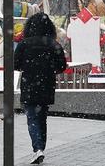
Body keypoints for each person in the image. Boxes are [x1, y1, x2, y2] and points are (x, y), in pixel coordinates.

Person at [14, 13, 67, 164]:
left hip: (29, 84)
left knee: (31, 118)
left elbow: (15, 64)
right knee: (42, 117)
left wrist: (28, 66)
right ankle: (40, 148)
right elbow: (62, 65)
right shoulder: (53, 44)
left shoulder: (24, 44)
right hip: (46, 85)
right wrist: (50, 69)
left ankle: (37, 149)